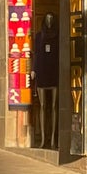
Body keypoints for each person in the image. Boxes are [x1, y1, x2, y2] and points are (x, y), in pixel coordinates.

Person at [32, 10, 60, 150]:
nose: (49, 22)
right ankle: (43, 139)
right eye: (47, 19)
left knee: (54, 106)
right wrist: (33, 69)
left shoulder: (58, 36)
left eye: (51, 19)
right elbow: (36, 54)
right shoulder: (38, 36)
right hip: (42, 70)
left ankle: (54, 139)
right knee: (42, 106)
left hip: (54, 71)